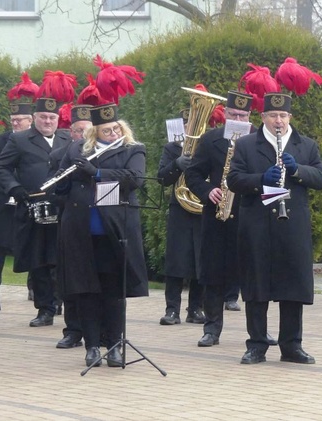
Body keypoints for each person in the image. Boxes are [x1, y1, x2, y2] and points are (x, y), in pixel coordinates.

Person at [228, 92, 322, 365]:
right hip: (257, 225)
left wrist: (298, 171)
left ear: (290, 118)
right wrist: (261, 179)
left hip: (292, 226)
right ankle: (257, 344)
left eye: (283, 116)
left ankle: (291, 345)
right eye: (273, 115)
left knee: (293, 285)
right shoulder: (248, 144)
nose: (278, 121)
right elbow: (233, 179)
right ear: (263, 117)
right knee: (256, 285)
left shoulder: (304, 145)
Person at [55, 102, 148, 367]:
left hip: (115, 231)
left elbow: (134, 178)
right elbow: (60, 183)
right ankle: (92, 346)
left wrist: (97, 172)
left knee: (113, 291)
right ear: (95, 133)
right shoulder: (76, 149)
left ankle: (115, 345)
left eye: (116, 129)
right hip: (81, 230)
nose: (113, 134)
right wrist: (62, 180)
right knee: (86, 291)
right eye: (107, 131)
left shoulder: (133, 149)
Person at [186, 90, 271, 347]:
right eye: (233, 114)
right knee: (213, 275)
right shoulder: (211, 139)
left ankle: (258, 332)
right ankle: (212, 329)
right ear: (225, 114)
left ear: (250, 116)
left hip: (251, 215)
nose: (238, 118)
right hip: (217, 218)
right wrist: (206, 190)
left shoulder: (260, 140)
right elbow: (193, 174)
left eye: (243, 115)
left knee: (255, 278)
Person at [0, 96, 71, 327]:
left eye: (52, 117)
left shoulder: (68, 139)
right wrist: (15, 188)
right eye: (43, 117)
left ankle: (62, 304)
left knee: (62, 259)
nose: (48, 121)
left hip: (63, 208)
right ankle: (44, 308)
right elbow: (2, 168)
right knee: (39, 260)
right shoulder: (20, 140)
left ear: (58, 119)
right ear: (35, 118)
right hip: (32, 207)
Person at [156, 109, 205, 326]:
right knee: (176, 261)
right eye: (187, 125)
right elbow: (162, 178)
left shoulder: (208, 147)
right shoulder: (172, 148)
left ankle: (195, 309)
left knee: (200, 259)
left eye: (194, 125)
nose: (190, 129)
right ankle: (171, 310)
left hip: (203, 207)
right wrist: (177, 164)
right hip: (180, 208)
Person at [52, 104, 92, 349]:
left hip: (97, 225)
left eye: (89, 131)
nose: (84, 136)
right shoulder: (60, 156)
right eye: (79, 131)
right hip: (71, 223)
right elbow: (53, 191)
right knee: (72, 280)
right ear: (71, 132)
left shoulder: (107, 154)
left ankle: (96, 332)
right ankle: (73, 330)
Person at [0, 101, 34, 289]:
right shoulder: (1, 140)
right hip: (6, 196)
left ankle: (34, 286)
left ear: (30, 120)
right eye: (13, 120)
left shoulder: (36, 138)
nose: (15, 124)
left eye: (19, 120)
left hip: (28, 195)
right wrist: (10, 186)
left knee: (33, 241)